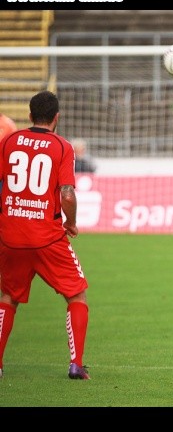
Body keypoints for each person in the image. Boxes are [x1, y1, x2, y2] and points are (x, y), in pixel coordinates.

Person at [0, 90, 90, 380]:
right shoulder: (62, 147)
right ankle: (76, 364)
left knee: (7, 297)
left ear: (29, 116)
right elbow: (67, 193)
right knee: (76, 294)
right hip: (48, 238)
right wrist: (71, 222)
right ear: (57, 118)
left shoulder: (9, 142)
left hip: (11, 236)